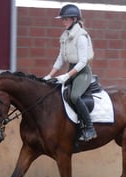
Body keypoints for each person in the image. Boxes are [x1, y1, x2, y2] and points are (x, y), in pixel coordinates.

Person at [43, 4, 97, 141]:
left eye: (66, 19)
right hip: (71, 69)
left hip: (82, 72)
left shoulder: (81, 37)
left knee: (74, 96)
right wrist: (50, 75)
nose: (63, 22)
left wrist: (67, 75)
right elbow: (60, 58)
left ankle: (90, 128)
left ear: (74, 19)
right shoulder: (65, 36)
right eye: (62, 19)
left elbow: (83, 62)